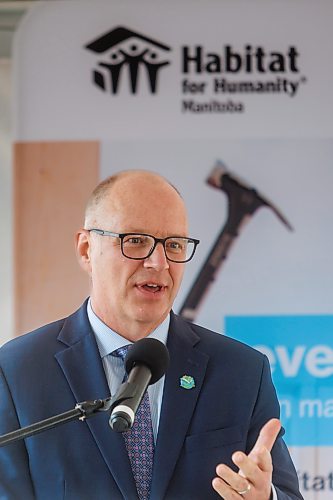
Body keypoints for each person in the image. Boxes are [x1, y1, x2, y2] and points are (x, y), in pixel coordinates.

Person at [0, 170, 302, 500]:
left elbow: (285, 494)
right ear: (87, 249)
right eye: (136, 241)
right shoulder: (19, 372)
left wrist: (266, 498)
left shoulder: (242, 371)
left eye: (174, 245)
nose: (158, 262)